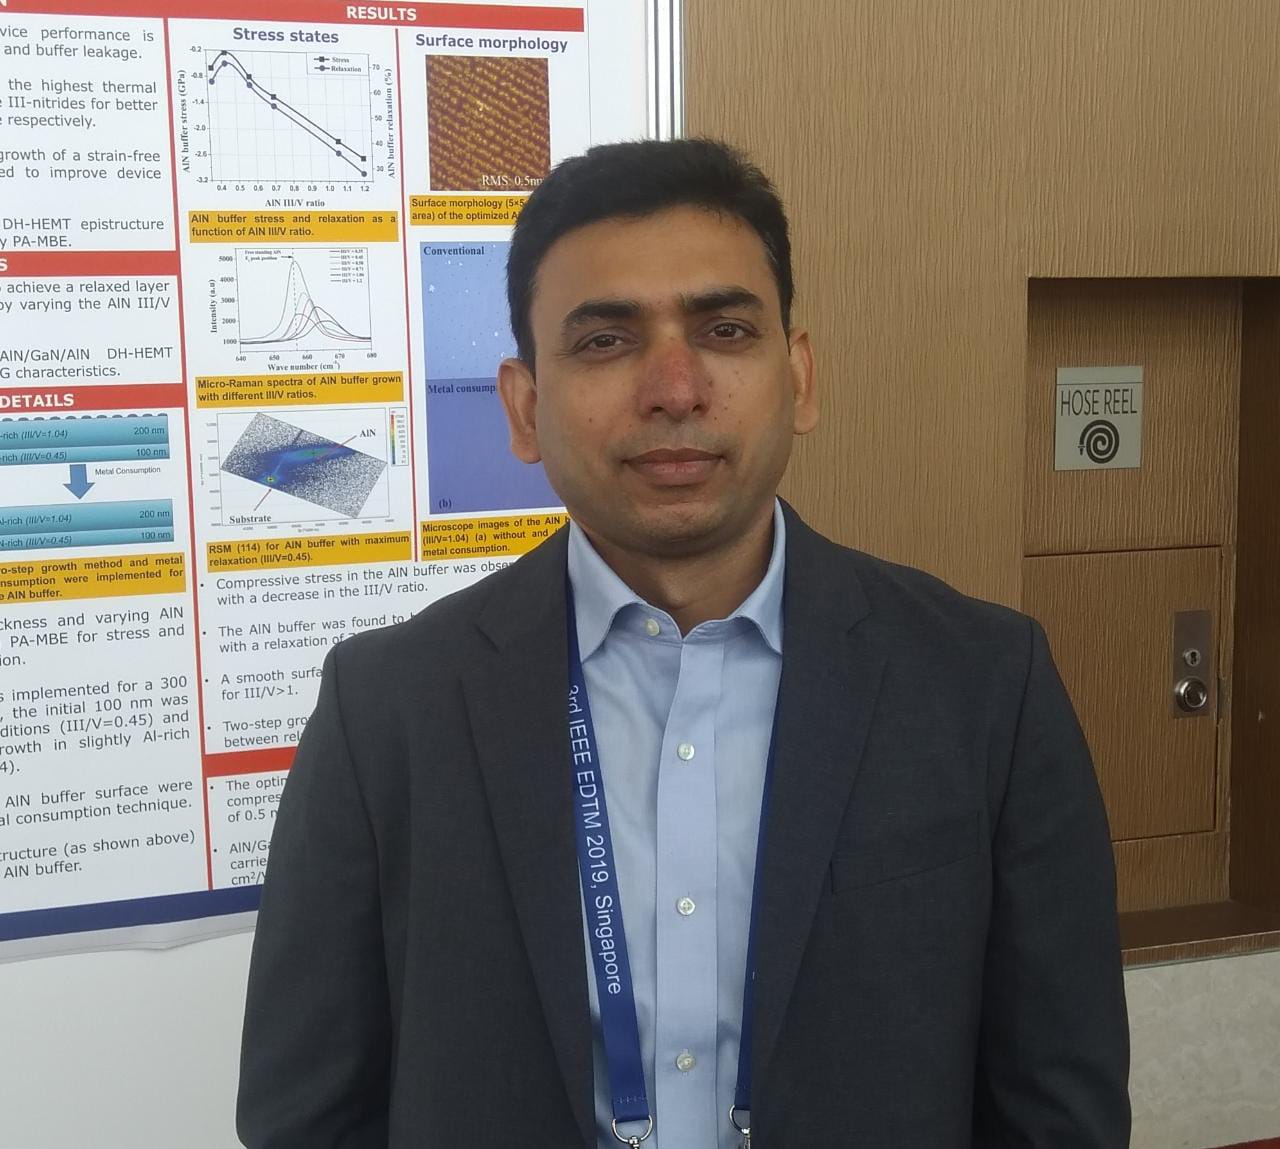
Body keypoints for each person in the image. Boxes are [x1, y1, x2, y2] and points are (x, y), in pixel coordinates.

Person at [237, 137, 1130, 1148]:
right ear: (524, 408)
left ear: (798, 377)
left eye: (724, 330)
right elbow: (304, 1116)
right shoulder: (388, 709)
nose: (673, 386)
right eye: (605, 341)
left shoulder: (983, 687)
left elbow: (1058, 1110)